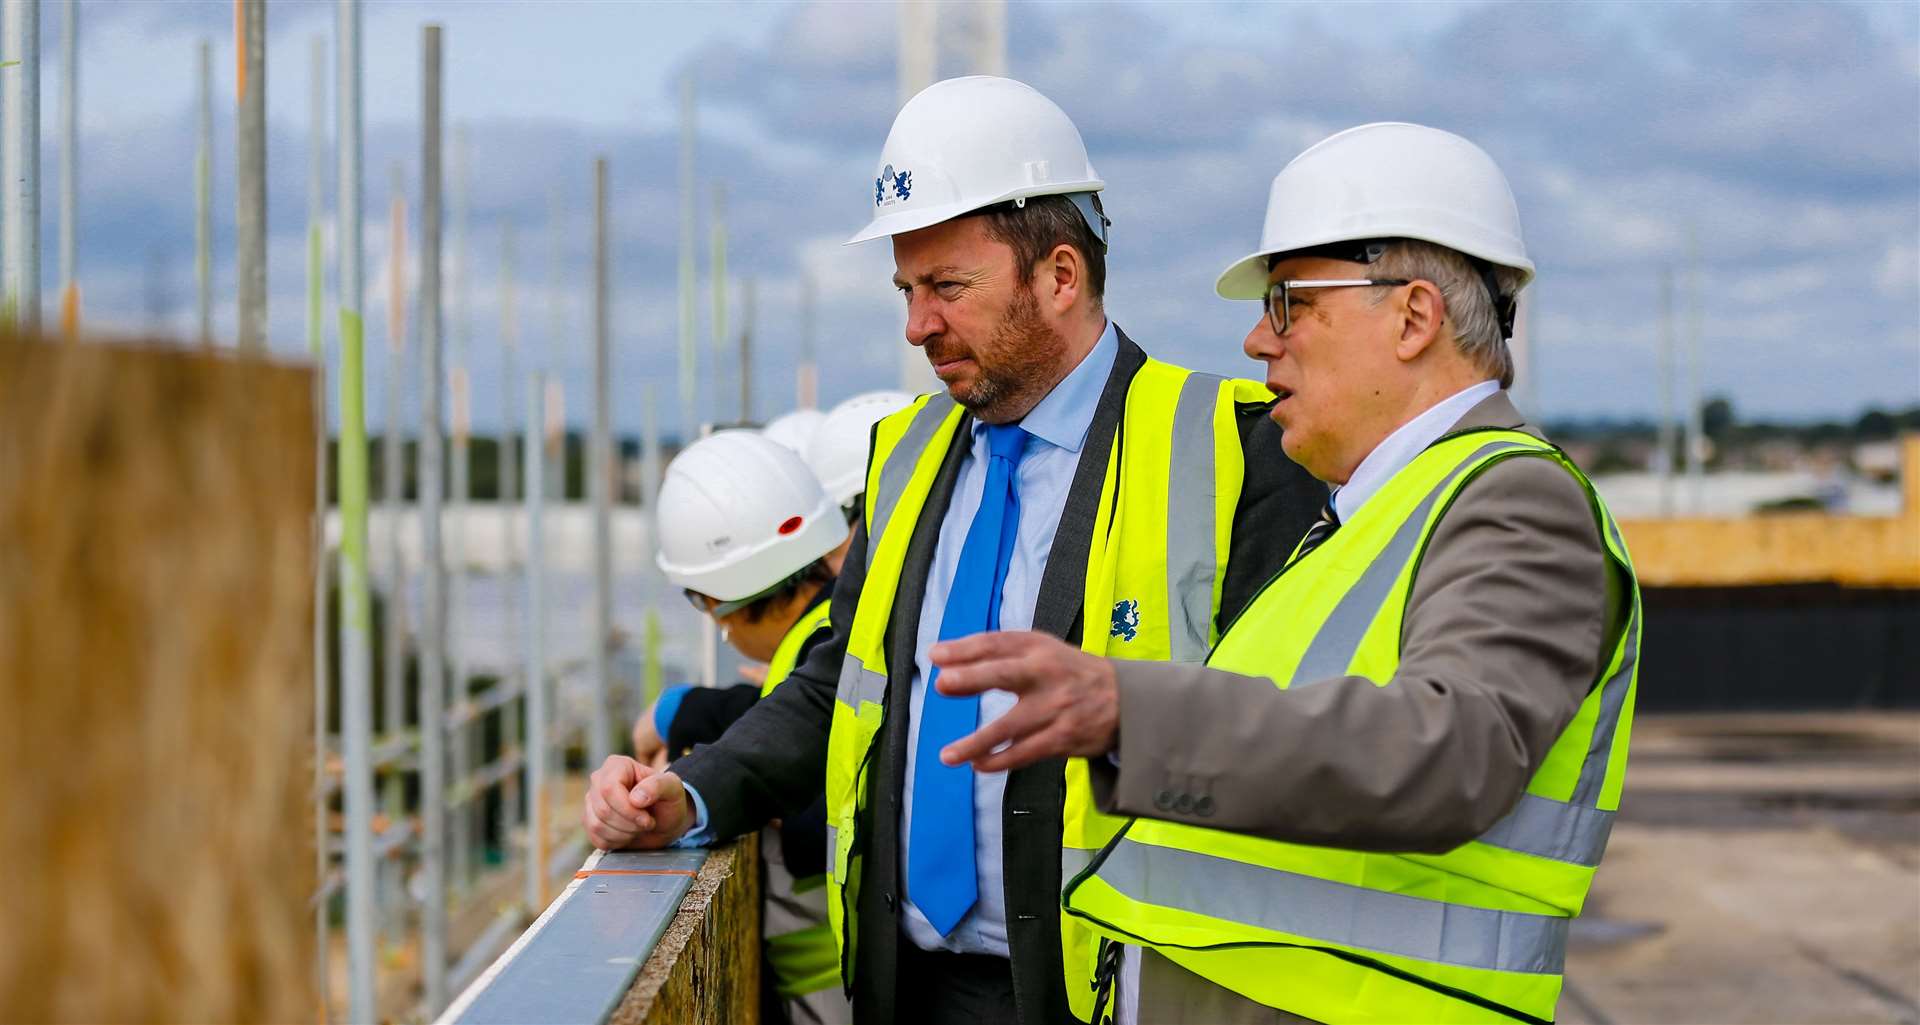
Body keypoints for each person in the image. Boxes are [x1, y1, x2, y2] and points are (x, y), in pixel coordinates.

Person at [580, 76, 1324, 1025]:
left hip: (1119, 996)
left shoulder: (1237, 452)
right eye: (906, 288)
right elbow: (836, 691)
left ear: (1062, 276)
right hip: (908, 988)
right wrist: (689, 794)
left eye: (948, 288)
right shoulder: (907, 455)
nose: (916, 324)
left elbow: (1287, 737)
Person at [924, 122, 1642, 1024]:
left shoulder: (1516, 501)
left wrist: (1127, 710)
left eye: (1290, 303)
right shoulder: (1362, 518)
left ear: (1414, 317)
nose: (1260, 343)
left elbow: (1453, 750)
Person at [617, 429, 851, 1025]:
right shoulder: (841, 627)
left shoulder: (820, 645)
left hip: (835, 989)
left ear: (722, 599)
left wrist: (686, 714)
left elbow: (810, 772)